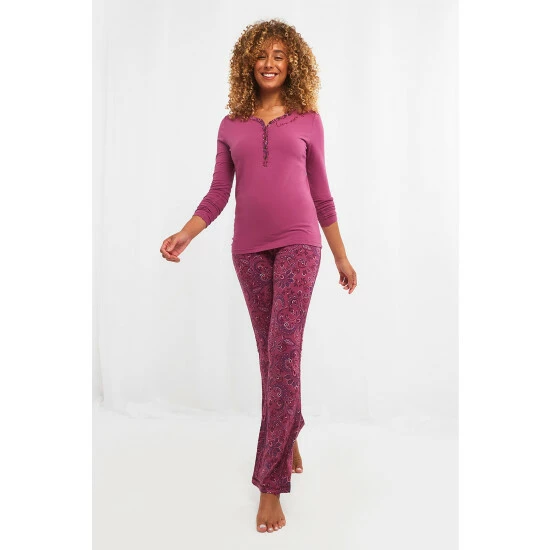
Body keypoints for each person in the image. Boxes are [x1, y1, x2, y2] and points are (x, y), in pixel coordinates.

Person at [160, 18, 357, 534]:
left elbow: (322, 194)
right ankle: (288, 429)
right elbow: (217, 193)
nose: (270, 63)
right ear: (248, 62)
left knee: (284, 349)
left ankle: (270, 484)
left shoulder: (308, 120)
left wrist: (341, 256)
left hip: (300, 245)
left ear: (293, 64)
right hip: (248, 251)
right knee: (271, 357)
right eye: (262, 55)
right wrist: (186, 234)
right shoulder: (231, 125)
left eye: (279, 55)